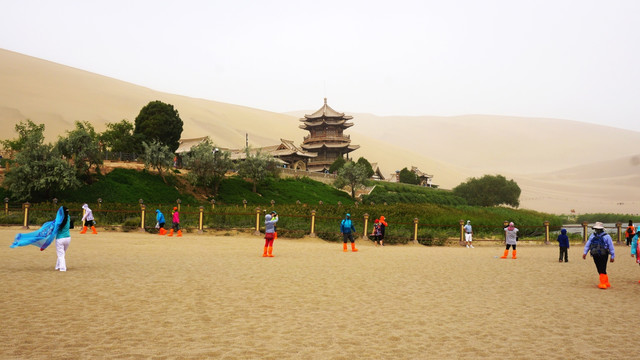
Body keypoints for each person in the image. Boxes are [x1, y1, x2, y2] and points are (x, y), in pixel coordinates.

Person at [582, 222, 615, 289]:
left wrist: (585, 253)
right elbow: (611, 246)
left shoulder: (592, 236)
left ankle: (603, 283)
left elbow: (588, 245)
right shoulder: (607, 236)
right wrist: (612, 255)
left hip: (595, 254)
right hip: (604, 254)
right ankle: (605, 282)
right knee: (603, 267)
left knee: (600, 268)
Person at [55, 206, 71, 272]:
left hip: (60, 238)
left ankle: (62, 268)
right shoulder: (68, 217)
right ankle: (57, 266)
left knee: (61, 254)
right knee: (62, 253)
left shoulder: (59, 219)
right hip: (68, 238)